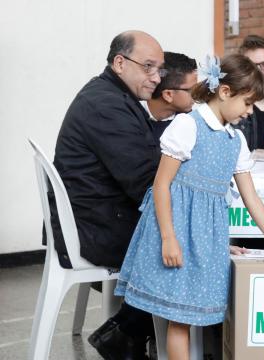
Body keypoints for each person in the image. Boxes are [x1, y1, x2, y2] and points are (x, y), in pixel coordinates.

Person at [114, 54, 264, 359]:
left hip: (205, 237)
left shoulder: (235, 139)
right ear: (225, 92)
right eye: (248, 103)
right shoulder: (188, 126)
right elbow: (161, 185)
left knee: (192, 315)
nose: (250, 112)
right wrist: (169, 238)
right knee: (180, 319)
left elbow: (251, 197)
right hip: (176, 230)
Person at [52, 30, 164, 359]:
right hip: (98, 228)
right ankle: (128, 335)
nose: (156, 78)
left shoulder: (112, 96)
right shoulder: (106, 106)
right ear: (119, 62)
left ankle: (130, 333)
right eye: (148, 67)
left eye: (160, 69)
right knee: (183, 242)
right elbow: (143, 182)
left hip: (96, 216)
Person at [141, 51, 198, 140]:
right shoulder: (128, 117)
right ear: (168, 95)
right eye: (191, 90)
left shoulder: (192, 122)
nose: (196, 95)